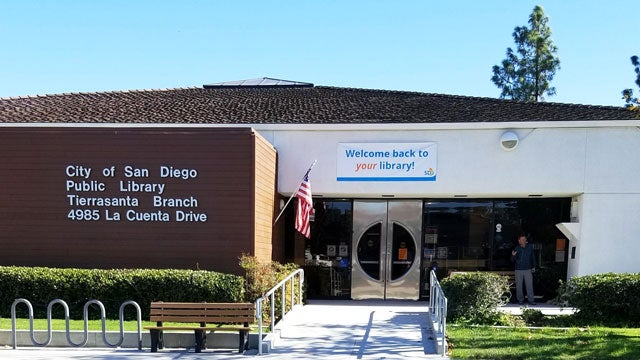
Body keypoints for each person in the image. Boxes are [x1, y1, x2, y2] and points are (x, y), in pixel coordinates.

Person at [511, 235, 536, 305]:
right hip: (518, 270)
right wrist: (513, 255)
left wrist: (533, 266)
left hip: (528, 269)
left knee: (529, 286)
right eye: (522, 240)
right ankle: (520, 300)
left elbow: (533, 257)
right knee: (519, 286)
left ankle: (531, 300)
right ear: (519, 241)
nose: (523, 241)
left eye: (524, 239)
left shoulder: (530, 247)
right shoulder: (517, 248)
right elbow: (512, 260)